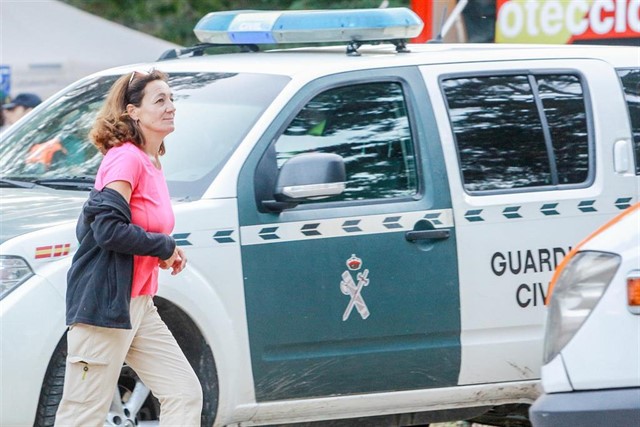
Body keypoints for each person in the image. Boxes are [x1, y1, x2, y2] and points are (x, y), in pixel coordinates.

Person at [54, 70, 203, 426]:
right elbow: (108, 230)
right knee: (82, 415)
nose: (171, 107)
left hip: (138, 306)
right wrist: (163, 246)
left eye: (172, 99)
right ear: (133, 111)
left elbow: (137, 229)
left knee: (184, 393)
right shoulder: (125, 158)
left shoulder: (151, 162)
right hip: (104, 308)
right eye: (160, 100)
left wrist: (165, 250)